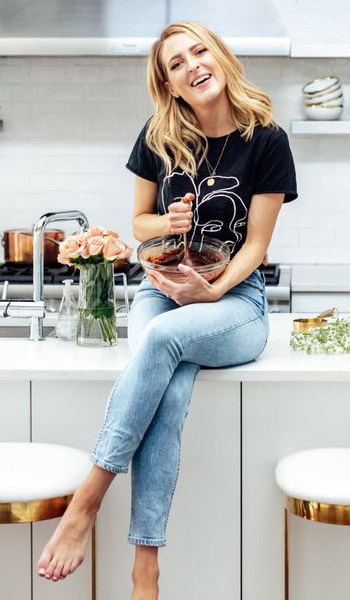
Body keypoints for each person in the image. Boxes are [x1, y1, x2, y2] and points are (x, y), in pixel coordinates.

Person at [36, 20, 297, 599]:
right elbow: (140, 224)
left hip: (236, 301)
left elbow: (256, 246)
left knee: (161, 342)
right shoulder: (159, 136)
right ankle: (146, 567)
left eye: (199, 51)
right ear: (170, 85)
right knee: (171, 388)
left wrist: (211, 290)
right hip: (161, 288)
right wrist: (170, 224)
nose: (192, 66)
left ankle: (87, 501)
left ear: (220, 57)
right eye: (175, 64)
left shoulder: (267, 139)